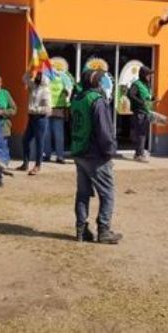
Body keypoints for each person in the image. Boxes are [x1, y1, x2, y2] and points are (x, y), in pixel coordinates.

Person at [71, 70, 121, 244]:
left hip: (79, 151)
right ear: (96, 83)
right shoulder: (96, 100)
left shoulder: (76, 99)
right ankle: (104, 230)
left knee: (83, 193)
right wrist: (109, 151)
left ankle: (81, 229)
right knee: (107, 193)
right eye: (101, 81)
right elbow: (104, 130)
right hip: (95, 154)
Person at [18, 71, 51, 175]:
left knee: (39, 142)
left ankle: (38, 165)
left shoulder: (45, 91)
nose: (37, 76)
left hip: (40, 118)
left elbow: (47, 109)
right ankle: (25, 163)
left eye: (39, 75)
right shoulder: (34, 86)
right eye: (37, 75)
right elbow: (24, 79)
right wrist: (30, 69)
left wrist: (34, 109)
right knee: (25, 140)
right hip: (32, 117)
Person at [43, 71, 73, 164]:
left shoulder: (48, 77)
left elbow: (68, 92)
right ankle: (56, 156)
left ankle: (52, 155)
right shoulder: (63, 77)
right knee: (53, 134)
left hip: (53, 109)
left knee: (52, 134)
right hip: (53, 109)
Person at [127, 66, 154, 162]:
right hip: (139, 112)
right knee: (141, 133)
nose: (150, 76)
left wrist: (153, 99)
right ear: (143, 74)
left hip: (146, 111)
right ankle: (139, 155)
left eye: (150, 75)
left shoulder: (146, 84)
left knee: (143, 133)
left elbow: (146, 96)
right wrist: (141, 102)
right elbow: (130, 94)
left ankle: (139, 153)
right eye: (148, 74)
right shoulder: (137, 84)